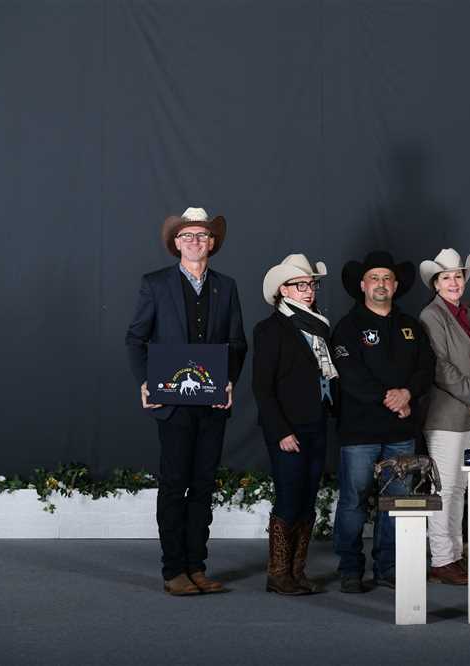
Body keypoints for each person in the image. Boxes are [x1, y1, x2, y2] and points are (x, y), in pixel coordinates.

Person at [125, 206, 247, 596]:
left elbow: (237, 342)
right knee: (175, 484)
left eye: (202, 235)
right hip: (172, 403)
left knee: (204, 485)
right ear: (176, 243)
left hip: (212, 403)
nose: (195, 241)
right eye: (187, 236)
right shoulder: (155, 284)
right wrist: (146, 382)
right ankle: (173, 569)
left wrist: (229, 381)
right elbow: (136, 338)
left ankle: (197, 566)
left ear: (212, 243)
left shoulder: (226, 287)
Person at [330, 251, 435, 593]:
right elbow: (350, 376)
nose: (381, 284)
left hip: (401, 432)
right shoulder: (348, 327)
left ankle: (388, 567)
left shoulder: (411, 327)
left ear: (396, 285)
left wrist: (407, 393)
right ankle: (350, 569)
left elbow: (426, 368)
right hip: (359, 431)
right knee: (353, 501)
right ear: (362, 285)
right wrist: (391, 400)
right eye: (374, 278)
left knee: (397, 502)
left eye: (387, 278)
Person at [253, 254, 337, 595]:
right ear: (282, 290)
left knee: (307, 499)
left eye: (311, 284)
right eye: (300, 285)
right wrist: (281, 431)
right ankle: (278, 574)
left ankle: (296, 571)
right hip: (289, 428)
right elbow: (262, 387)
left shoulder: (319, 327)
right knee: (289, 498)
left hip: (317, 422)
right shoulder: (270, 329)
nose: (308, 290)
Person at [417, 249, 470, 586]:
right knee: (444, 489)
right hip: (444, 415)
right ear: (435, 283)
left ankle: (454, 555)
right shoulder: (432, 315)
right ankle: (441, 559)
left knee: (458, 488)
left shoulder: (467, 313)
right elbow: (440, 367)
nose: (453, 282)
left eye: (458, 276)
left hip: (469, 415)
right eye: (446, 277)